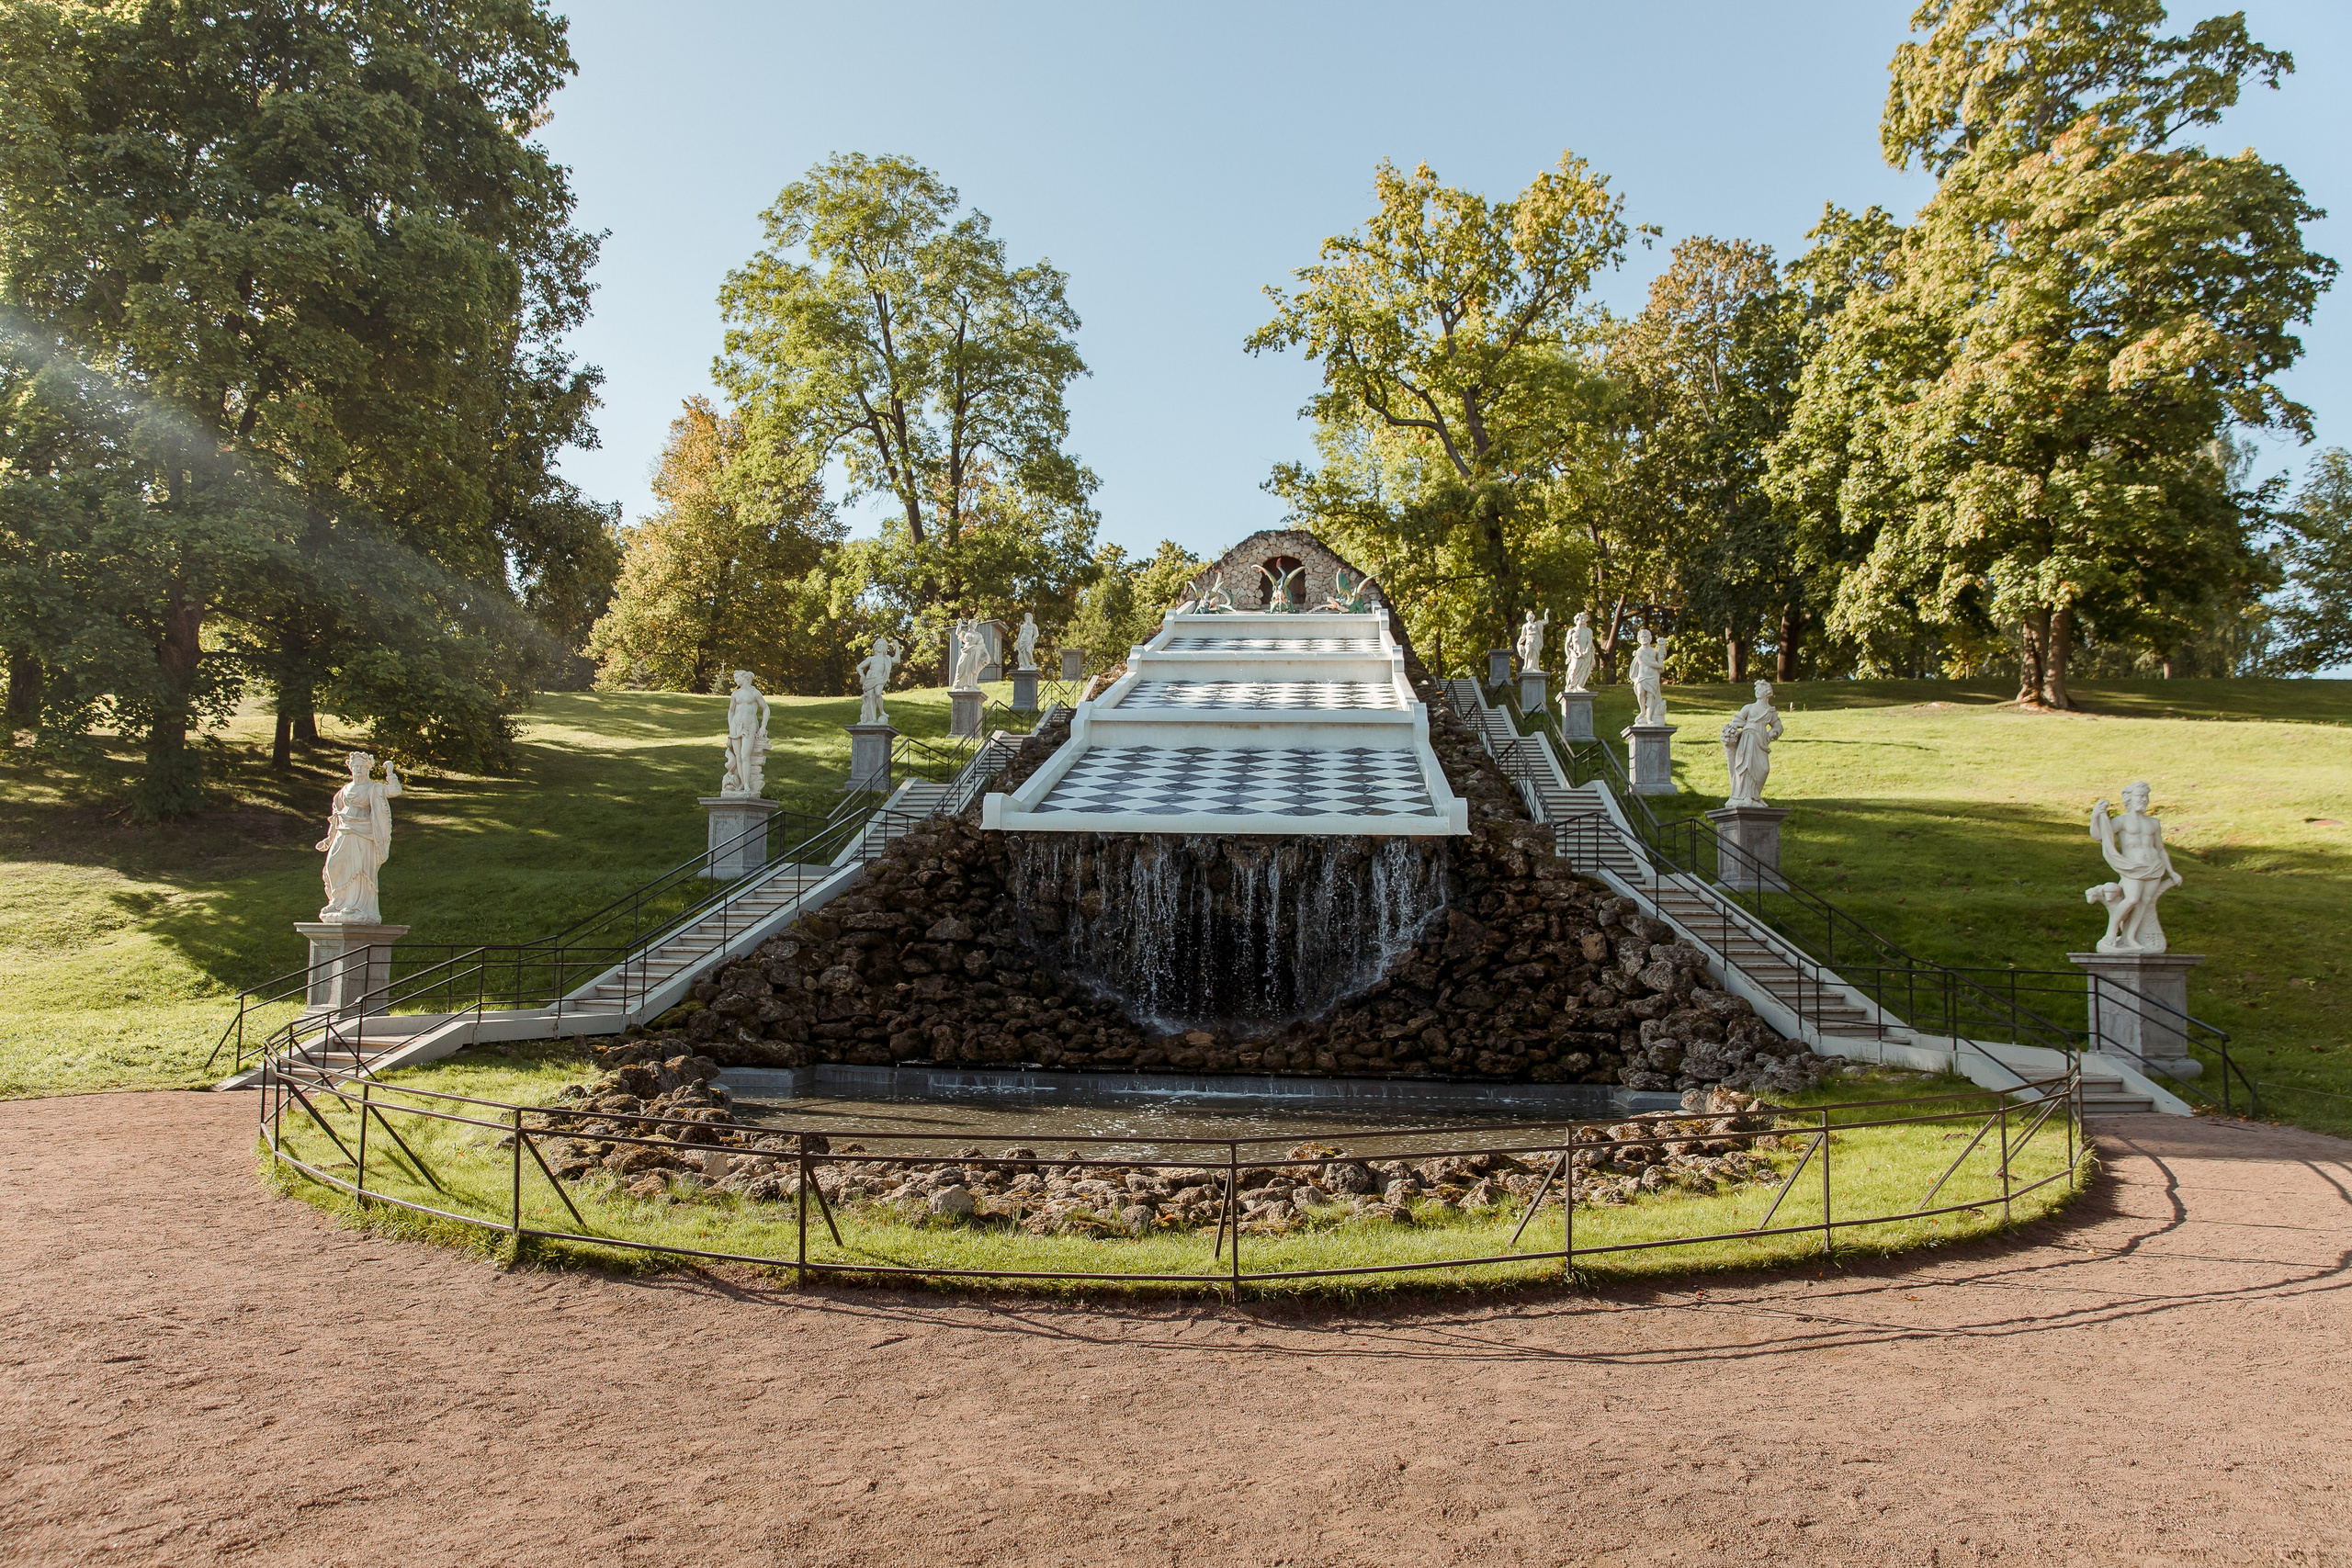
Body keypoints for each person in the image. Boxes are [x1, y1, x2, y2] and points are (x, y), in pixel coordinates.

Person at [2087, 783, 2180, 953]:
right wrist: (2095, 816)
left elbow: (2160, 849)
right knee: (2131, 899)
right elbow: (2098, 836)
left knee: (2144, 903)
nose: (2144, 800)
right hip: (2132, 867)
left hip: (2154, 868)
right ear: (2129, 799)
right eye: (2140, 796)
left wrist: (2171, 871)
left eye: (2146, 796)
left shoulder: (2153, 822)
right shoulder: (2121, 821)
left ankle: (2129, 937)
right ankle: (2110, 934)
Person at [317, 751, 402, 923]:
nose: (358, 769)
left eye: (361, 767)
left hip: (363, 833)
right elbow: (336, 816)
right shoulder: (345, 790)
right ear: (350, 768)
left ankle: (356, 905)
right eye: (355, 766)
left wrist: (390, 773)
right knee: (333, 865)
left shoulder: (373, 788)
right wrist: (329, 838)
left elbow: (395, 791)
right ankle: (337, 902)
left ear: (367, 769)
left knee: (358, 868)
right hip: (344, 830)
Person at [1720, 678, 1784, 807]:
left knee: (1763, 769)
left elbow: (1778, 726)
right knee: (1746, 767)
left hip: (1761, 741)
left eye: (1759, 689)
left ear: (1767, 692)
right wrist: (1731, 731)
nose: (1757, 691)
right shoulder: (1749, 707)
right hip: (1747, 738)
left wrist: (1774, 732)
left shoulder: (1771, 711)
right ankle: (1745, 797)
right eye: (1756, 689)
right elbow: (1736, 721)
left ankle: (1755, 796)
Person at [720, 671, 769, 796]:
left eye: (737, 677)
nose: (735, 680)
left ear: (744, 677)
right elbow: (731, 711)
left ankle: (747, 784)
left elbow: (765, 708)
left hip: (749, 726)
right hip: (736, 726)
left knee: (744, 755)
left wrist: (763, 726)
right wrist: (731, 727)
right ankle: (742, 783)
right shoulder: (735, 694)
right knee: (738, 757)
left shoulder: (754, 693)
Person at [1628, 628, 1669, 726]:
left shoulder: (1654, 651)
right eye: (1642, 637)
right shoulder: (1640, 651)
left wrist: (1662, 647)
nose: (1644, 639)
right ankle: (1643, 711)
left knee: (1651, 696)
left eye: (1646, 637)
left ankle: (1649, 718)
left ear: (1650, 638)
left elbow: (1661, 657)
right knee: (1640, 693)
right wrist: (1660, 666)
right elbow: (1649, 663)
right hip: (1642, 676)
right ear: (1639, 639)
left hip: (1653, 677)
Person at [856, 637, 900, 725]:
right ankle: (873, 719)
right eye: (878, 645)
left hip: (880, 678)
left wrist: (897, 647)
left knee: (878, 693)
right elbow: (859, 667)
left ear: (885, 648)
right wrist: (862, 675)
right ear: (875, 647)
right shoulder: (871, 659)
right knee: (871, 698)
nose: (879, 646)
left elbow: (897, 660)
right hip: (870, 679)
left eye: (882, 645)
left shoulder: (886, 658)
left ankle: (881, 711)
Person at [1562, 613, 1597, 693]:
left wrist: (1586, 652)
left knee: (1584, 671)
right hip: (1575, 655)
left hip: (1585, 655)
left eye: (1585, 618)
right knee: (1574, 669)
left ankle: (1579, 686)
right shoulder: (1572, 631)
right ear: (1577, 619)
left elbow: (1589, 643)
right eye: (1582, 618)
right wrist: (1569, 656)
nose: (1584, 620)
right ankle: (1571, 686)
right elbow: (1567, 645)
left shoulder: (1588, 631)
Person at [1515, 608, 1550, 672]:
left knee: (1535, 653)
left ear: (1533, 617)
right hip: (1529, 639)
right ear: (1527, 617)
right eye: (1529, 615)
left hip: (1536, 639)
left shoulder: (1537, 624)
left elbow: (1546, 621)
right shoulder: (1525, 626)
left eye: (1531, 615)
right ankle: (1526, 667)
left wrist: (1546, 614)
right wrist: (1519, 643)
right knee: (1528, 652)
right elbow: (1523, 636)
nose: (1530, 616)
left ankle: (1534, 668)